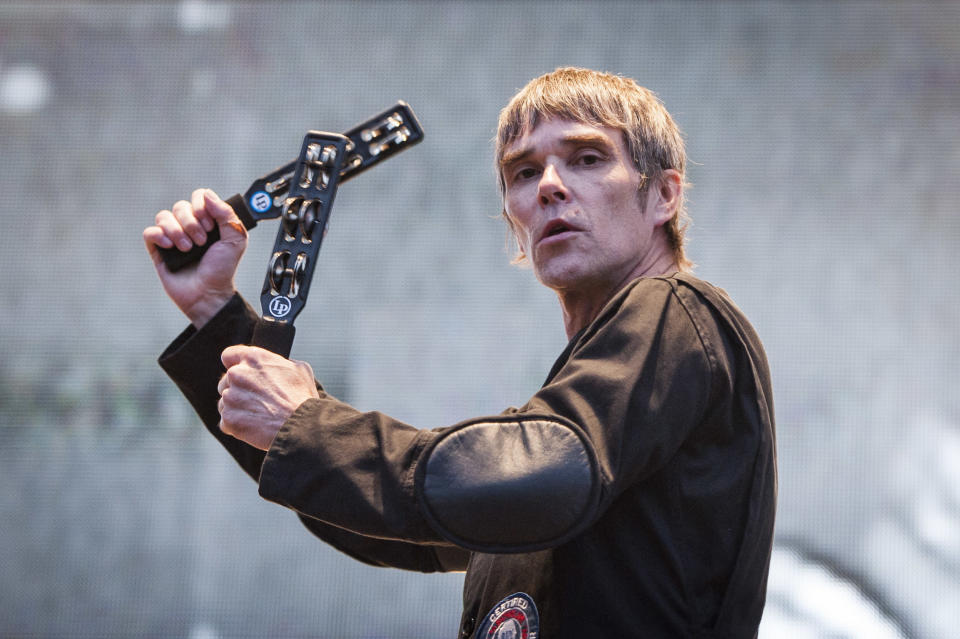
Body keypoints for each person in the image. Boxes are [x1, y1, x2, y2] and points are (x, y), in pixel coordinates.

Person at [144, 67, 777, 638]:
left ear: (665, 195)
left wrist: (306, 425)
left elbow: (527, 474)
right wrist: (214, 312)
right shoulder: (567, 438)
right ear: (514, 219)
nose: (551, 186)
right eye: (523, 172)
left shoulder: (675, 309)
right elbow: (385, 519)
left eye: (587, 157)